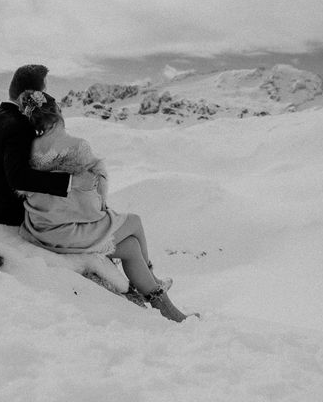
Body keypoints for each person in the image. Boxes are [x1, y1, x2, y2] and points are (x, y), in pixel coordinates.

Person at [16, 89, 196, 323]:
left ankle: (167, 310)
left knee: (130, 247)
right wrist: (101, 212)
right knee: (134, 221)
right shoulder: (77, 145)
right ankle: (154, 278)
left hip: (39, 228)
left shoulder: (27, 147)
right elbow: (90, 205)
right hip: (64, 232)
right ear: (58, 112)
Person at [0, 65, 95, 226]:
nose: (46, 96)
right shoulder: (20, 125)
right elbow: (19, 178)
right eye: (43, 91)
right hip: (13, 219)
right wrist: (72, 181)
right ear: (30, 94)